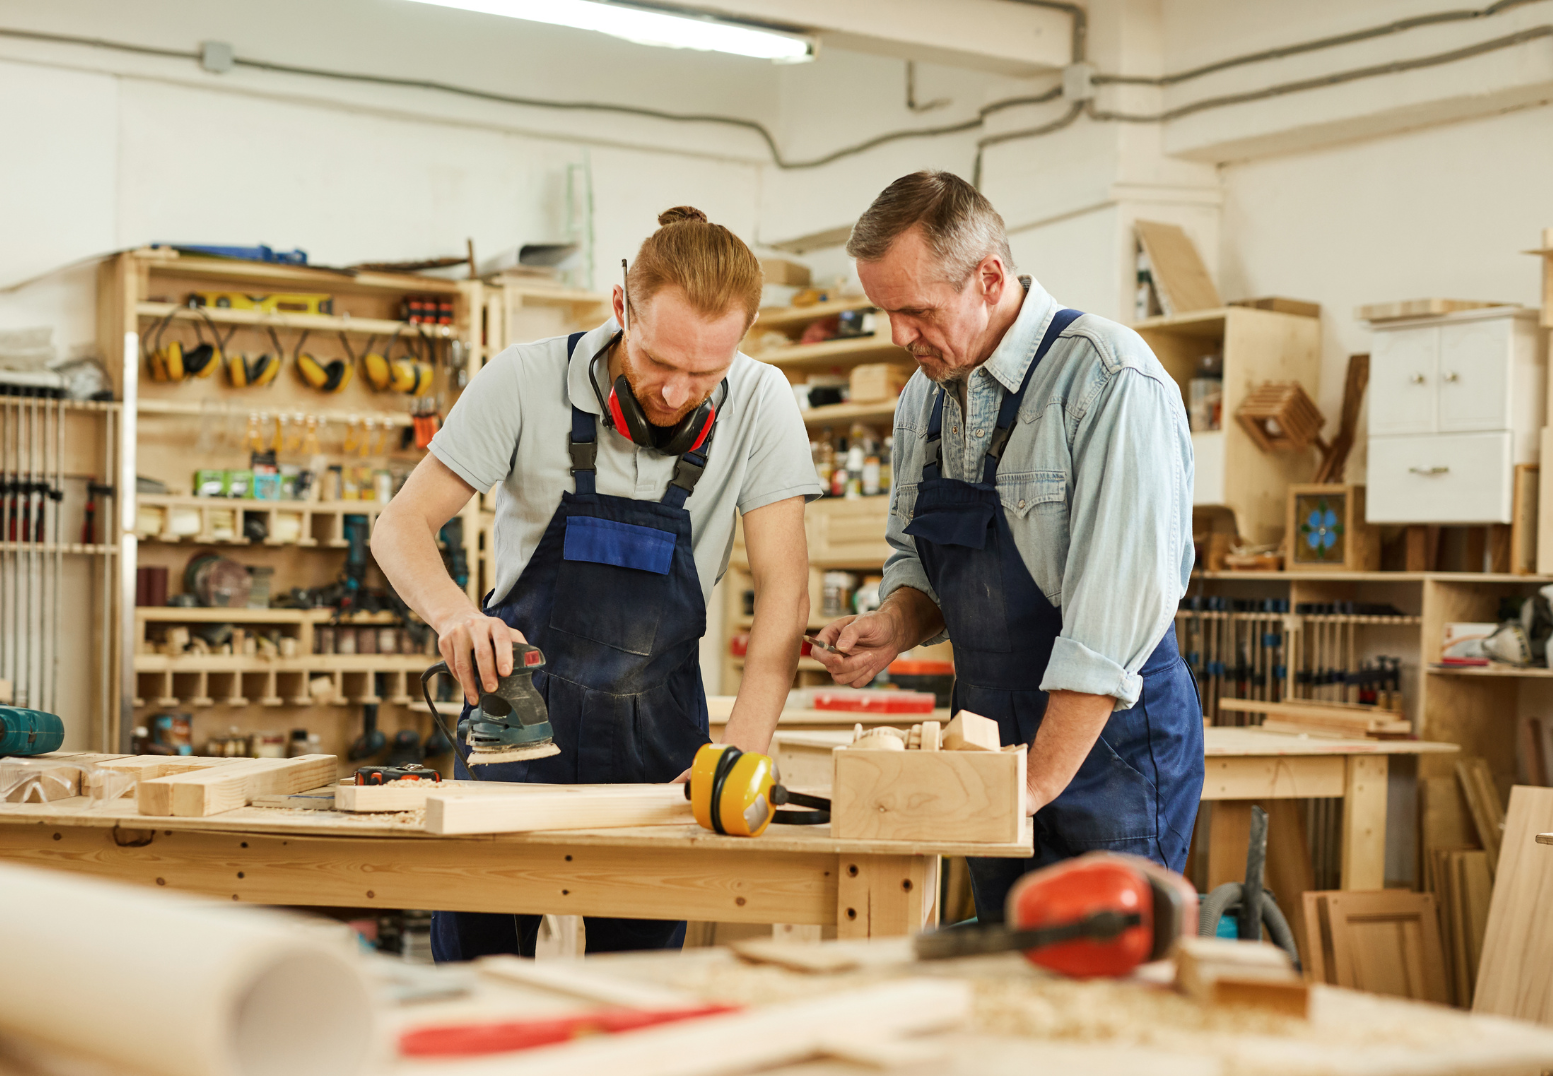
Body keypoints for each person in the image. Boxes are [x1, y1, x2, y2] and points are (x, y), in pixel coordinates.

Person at [372, 206, 820, 959]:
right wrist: (454, 615)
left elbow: (785, 590)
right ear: (620, 309)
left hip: (660, 744)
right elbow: (400, 526)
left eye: (705, 373)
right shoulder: (524, 379)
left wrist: (745, 744)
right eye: (659, 363)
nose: (678, 393)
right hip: (518, 721)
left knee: (637, 984)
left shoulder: (762, 399)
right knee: (482, 980)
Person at [812, 171, 1202, 921]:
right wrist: (894, 623)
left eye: (916, 310)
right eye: (884, 312)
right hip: (988, 735)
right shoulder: (922, 398)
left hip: (1110, 742)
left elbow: (1111, 620)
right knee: (1007, 963)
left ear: (990, 277)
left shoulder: (1108, 378)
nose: (898, 336)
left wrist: (1033, 786)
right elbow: (919, 559)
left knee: (1105, 979)